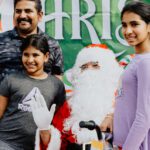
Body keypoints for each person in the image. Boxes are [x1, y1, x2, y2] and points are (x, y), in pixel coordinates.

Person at [33, 44, 123, 150]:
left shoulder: (122, 103)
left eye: (95, 65)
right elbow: (55, 146)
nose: (88, 71)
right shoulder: (70, 106)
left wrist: (113, 117)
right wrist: (44, 129)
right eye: (83, 67)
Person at [0, 34, 66, 150]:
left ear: (46, 57)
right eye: (26, 55)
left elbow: (59, 121)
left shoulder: (56, 85)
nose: (30, 60)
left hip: (37, 146)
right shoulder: (11, 80)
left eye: (35, 55)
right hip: (5, 143)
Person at [113, 1, 150, 150]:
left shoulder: (146, 62)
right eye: (124, 25)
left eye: (134, 24)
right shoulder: (137, 60)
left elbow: (145, 117)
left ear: (148, 26)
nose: (128, 31)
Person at [0, 0, 63, 83]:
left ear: (39, 15)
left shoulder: (52, 45)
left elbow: (58, 83)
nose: (22, 15)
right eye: (18, 11)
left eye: (28, 11)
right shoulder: (1, 41)